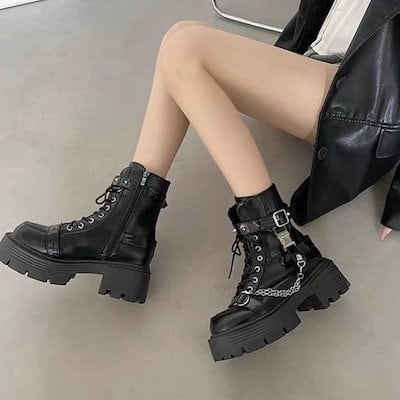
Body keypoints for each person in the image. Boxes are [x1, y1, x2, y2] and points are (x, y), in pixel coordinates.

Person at [1, 0, 379, 361]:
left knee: (186, 49)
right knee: (179, 36)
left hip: (369, 99)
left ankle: (281, 247)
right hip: (329, 65)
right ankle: (124, 227)